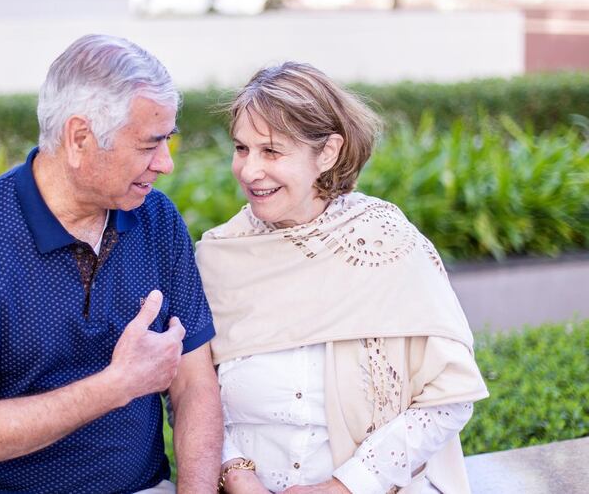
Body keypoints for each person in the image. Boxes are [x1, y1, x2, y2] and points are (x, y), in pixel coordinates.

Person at [0, 34, 222, 493]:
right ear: (79, 138)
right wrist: (115, 386)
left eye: (167, 140)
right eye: (149, 144)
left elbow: (194, 386)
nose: (166, 164)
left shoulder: (158, 219)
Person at [195, 62, 489, 494]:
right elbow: (191, 391)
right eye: (242, 149)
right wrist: (235, 472)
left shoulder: (387, 244)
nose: (249, 170)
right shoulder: (217, 256)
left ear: (328, 152)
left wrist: (345, 487)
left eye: (271, 151)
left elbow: (449, 397)